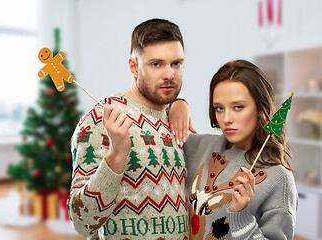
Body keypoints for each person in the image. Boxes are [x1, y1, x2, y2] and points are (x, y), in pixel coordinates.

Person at [67, 18, 189, 240]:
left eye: (176, 63)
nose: (169, 74)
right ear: (134, 66)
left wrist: (181, 104)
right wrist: (116, 156)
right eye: (156, 64)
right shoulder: (100, 119)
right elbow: (82, 223)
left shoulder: (175, 119)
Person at [169, 59, 298, 239]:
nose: (226, 118)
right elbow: (155, 118)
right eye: (219, 108)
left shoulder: (279, 179)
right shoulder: (199, 146)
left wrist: (241, 216)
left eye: (238, 107)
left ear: (261, 108)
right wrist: (177, 104)